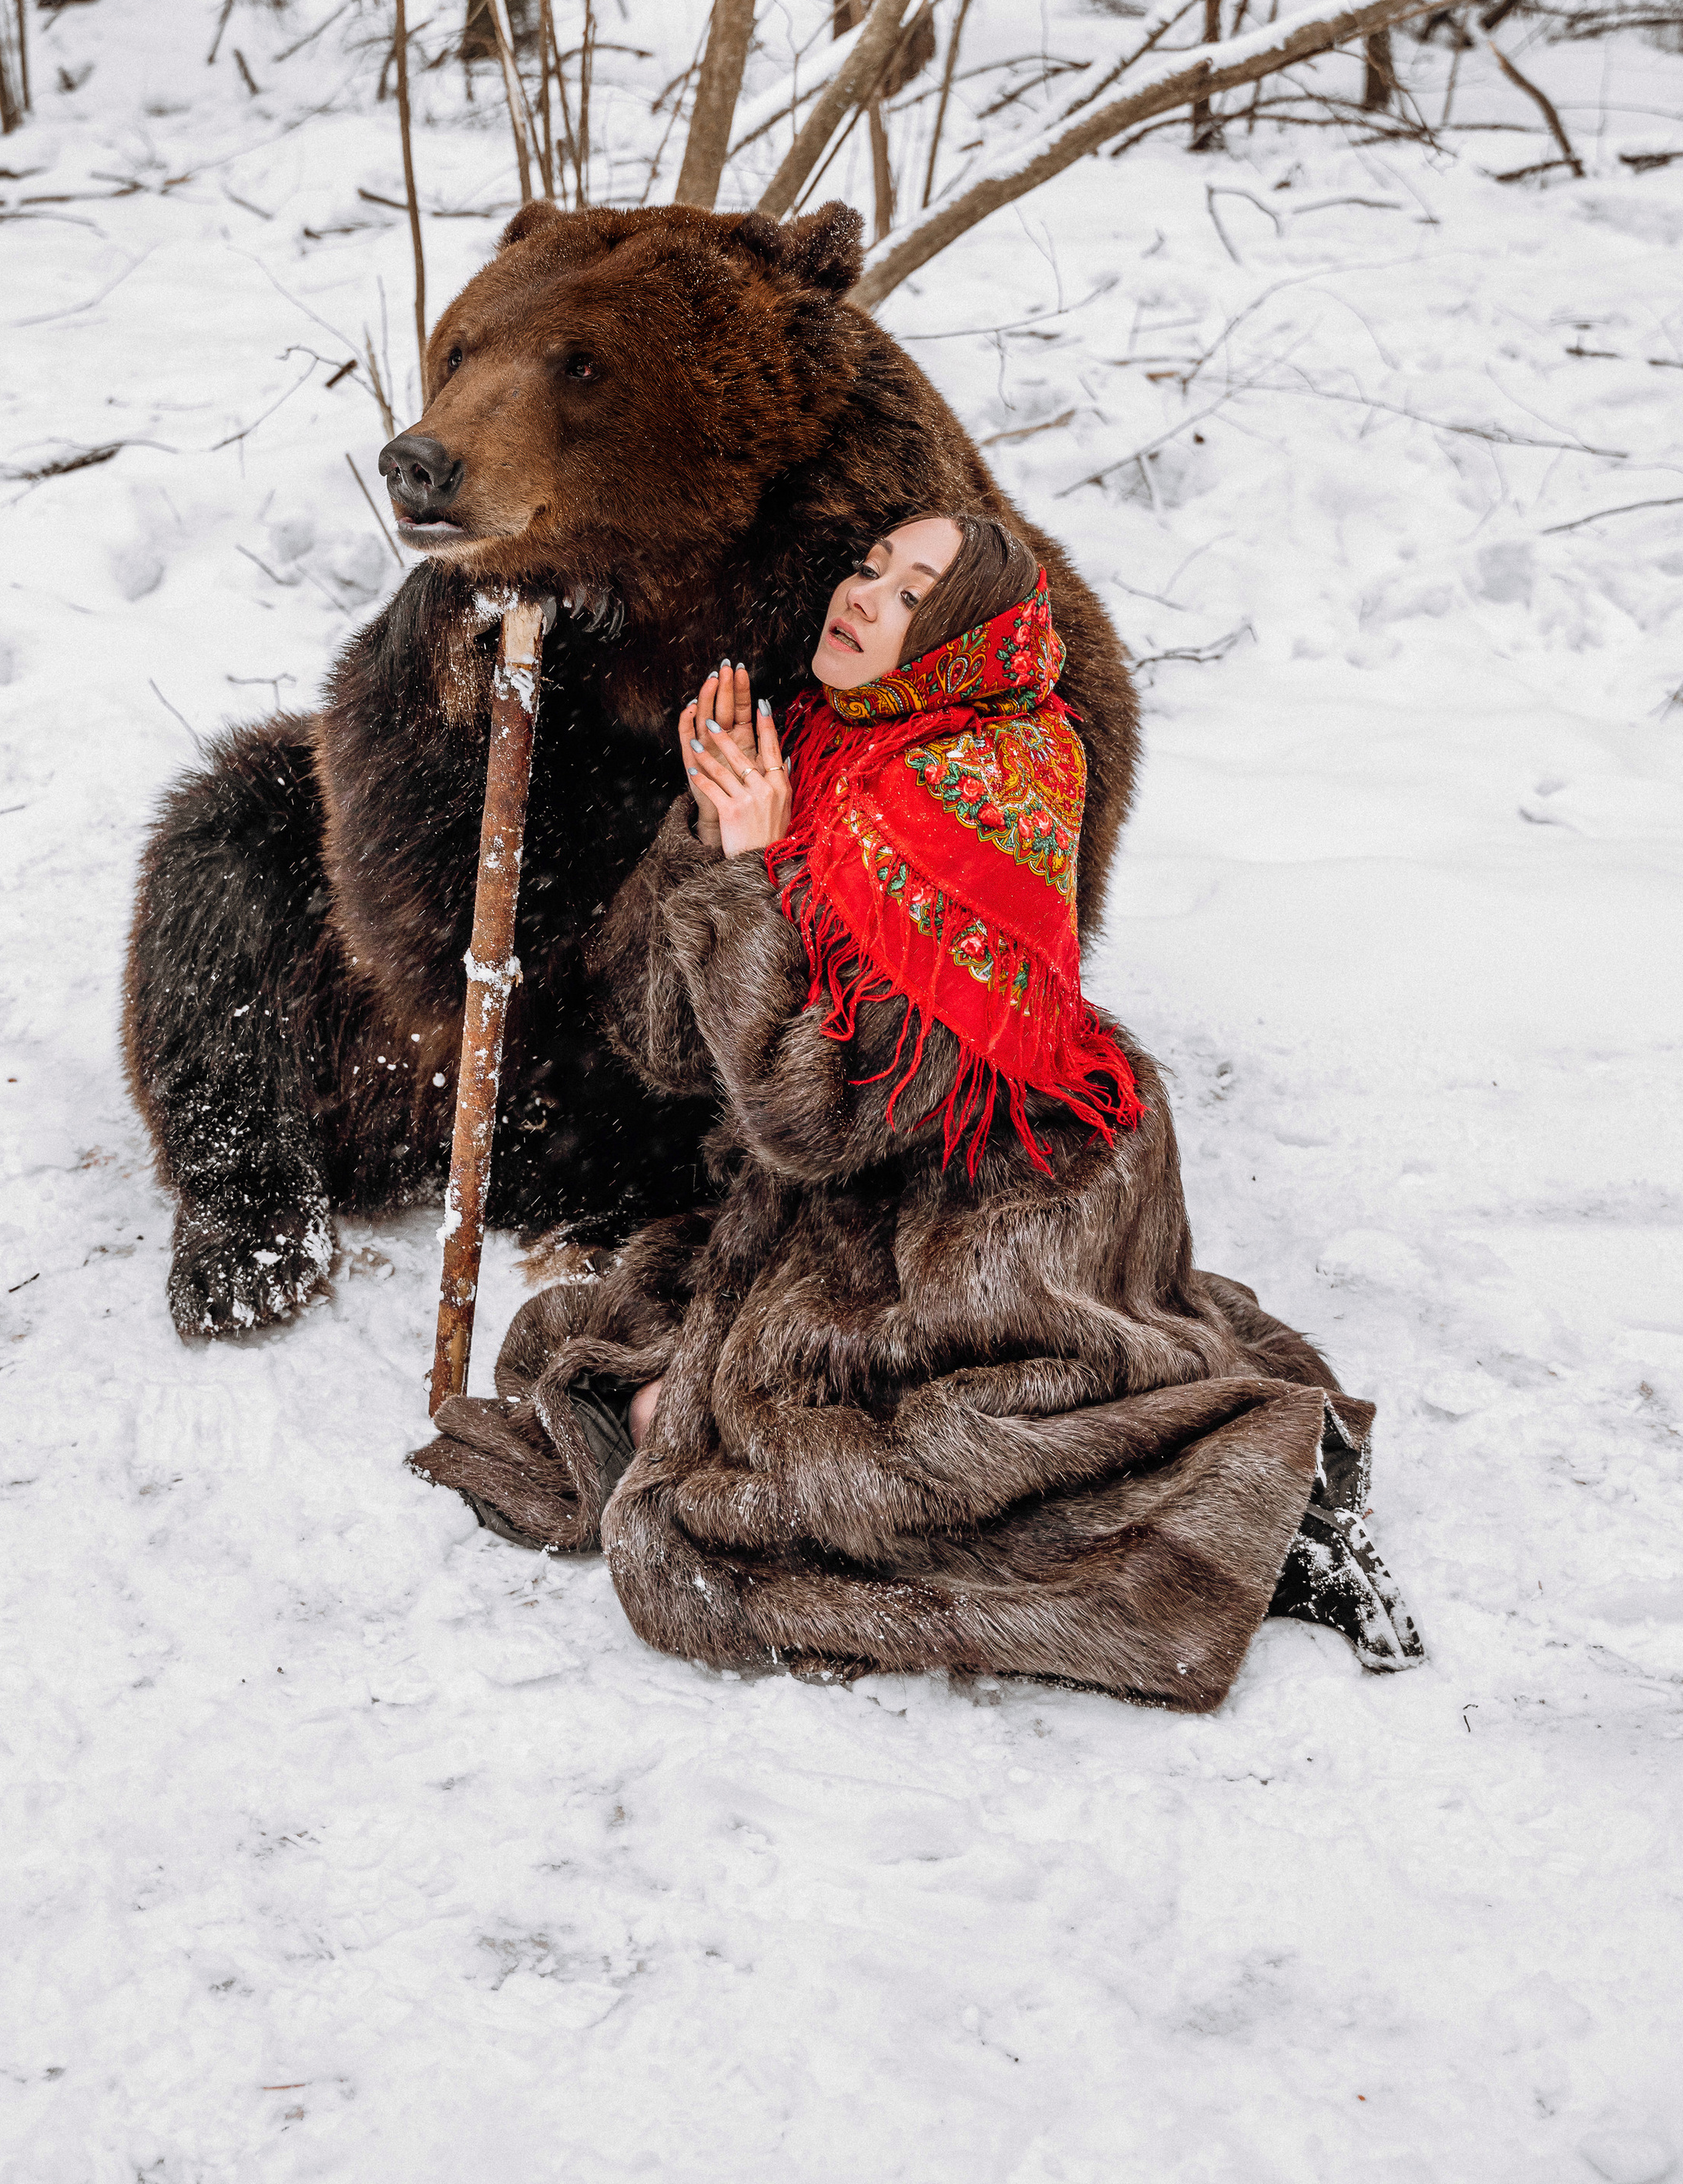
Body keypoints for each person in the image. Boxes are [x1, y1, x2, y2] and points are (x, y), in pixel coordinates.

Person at [413, 515, 1422, 1708]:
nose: (866, 593)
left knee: (760, 1476)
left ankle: (1251, 1515)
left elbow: (815, 1117)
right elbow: (669, 1043)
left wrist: (752, 868)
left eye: (912, 588)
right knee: (637, 1389)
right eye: (870, 566)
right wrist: (708, 836)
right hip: (858, 1195)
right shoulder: (831, 747)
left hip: (995, 1216)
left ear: (959, 634)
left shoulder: (978, 788)